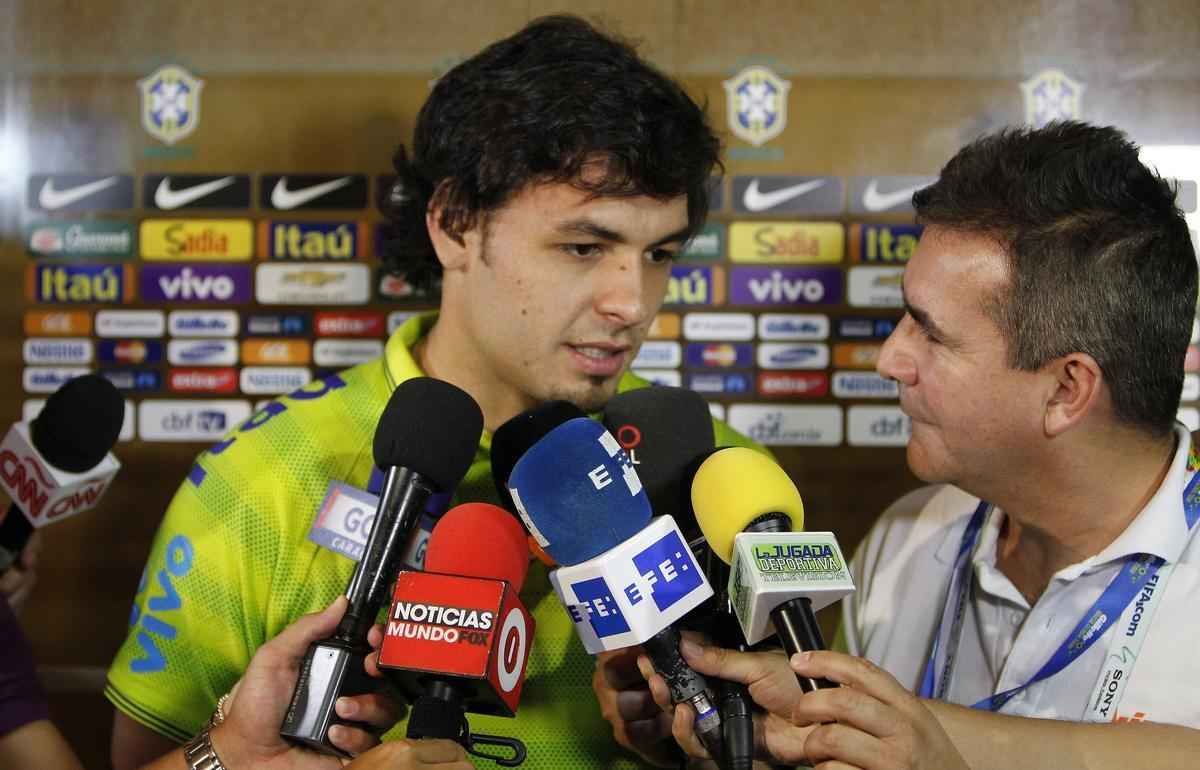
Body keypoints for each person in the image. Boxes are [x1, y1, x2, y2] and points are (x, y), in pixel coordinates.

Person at [107, 14, 760, 770]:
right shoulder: (264, 478)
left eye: (660, 254)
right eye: (585, 247)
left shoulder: (719, 481)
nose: (633, 302)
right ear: (454, 224)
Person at [647, 121, 1200, 769]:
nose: (890, 358)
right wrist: (792, 741)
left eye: (931, 335)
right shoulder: (905, 538)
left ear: (1065, 391)